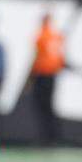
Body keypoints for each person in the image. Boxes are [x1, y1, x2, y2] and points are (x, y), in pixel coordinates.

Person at [27, 13, 64, 145]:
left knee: (42, 107)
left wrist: (30, 77)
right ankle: (53, 137)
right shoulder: (57, 35)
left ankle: (46, 138)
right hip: (52, 75)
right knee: (49, 107)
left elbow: (36, 57)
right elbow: (60, 58)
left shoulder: (42, 35)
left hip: (42, 74)